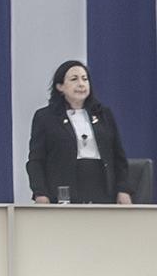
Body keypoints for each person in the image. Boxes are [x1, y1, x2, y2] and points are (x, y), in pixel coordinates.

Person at [26, 60, 135, 206]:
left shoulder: (104, 114)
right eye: (74, 79)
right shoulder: (45, 117)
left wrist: (124, 189)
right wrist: (40, 193)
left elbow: (118, 156)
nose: (81, 84)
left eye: (85, 79)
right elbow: (36, 160)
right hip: (63, 190)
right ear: (60, 86)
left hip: (102, 189)